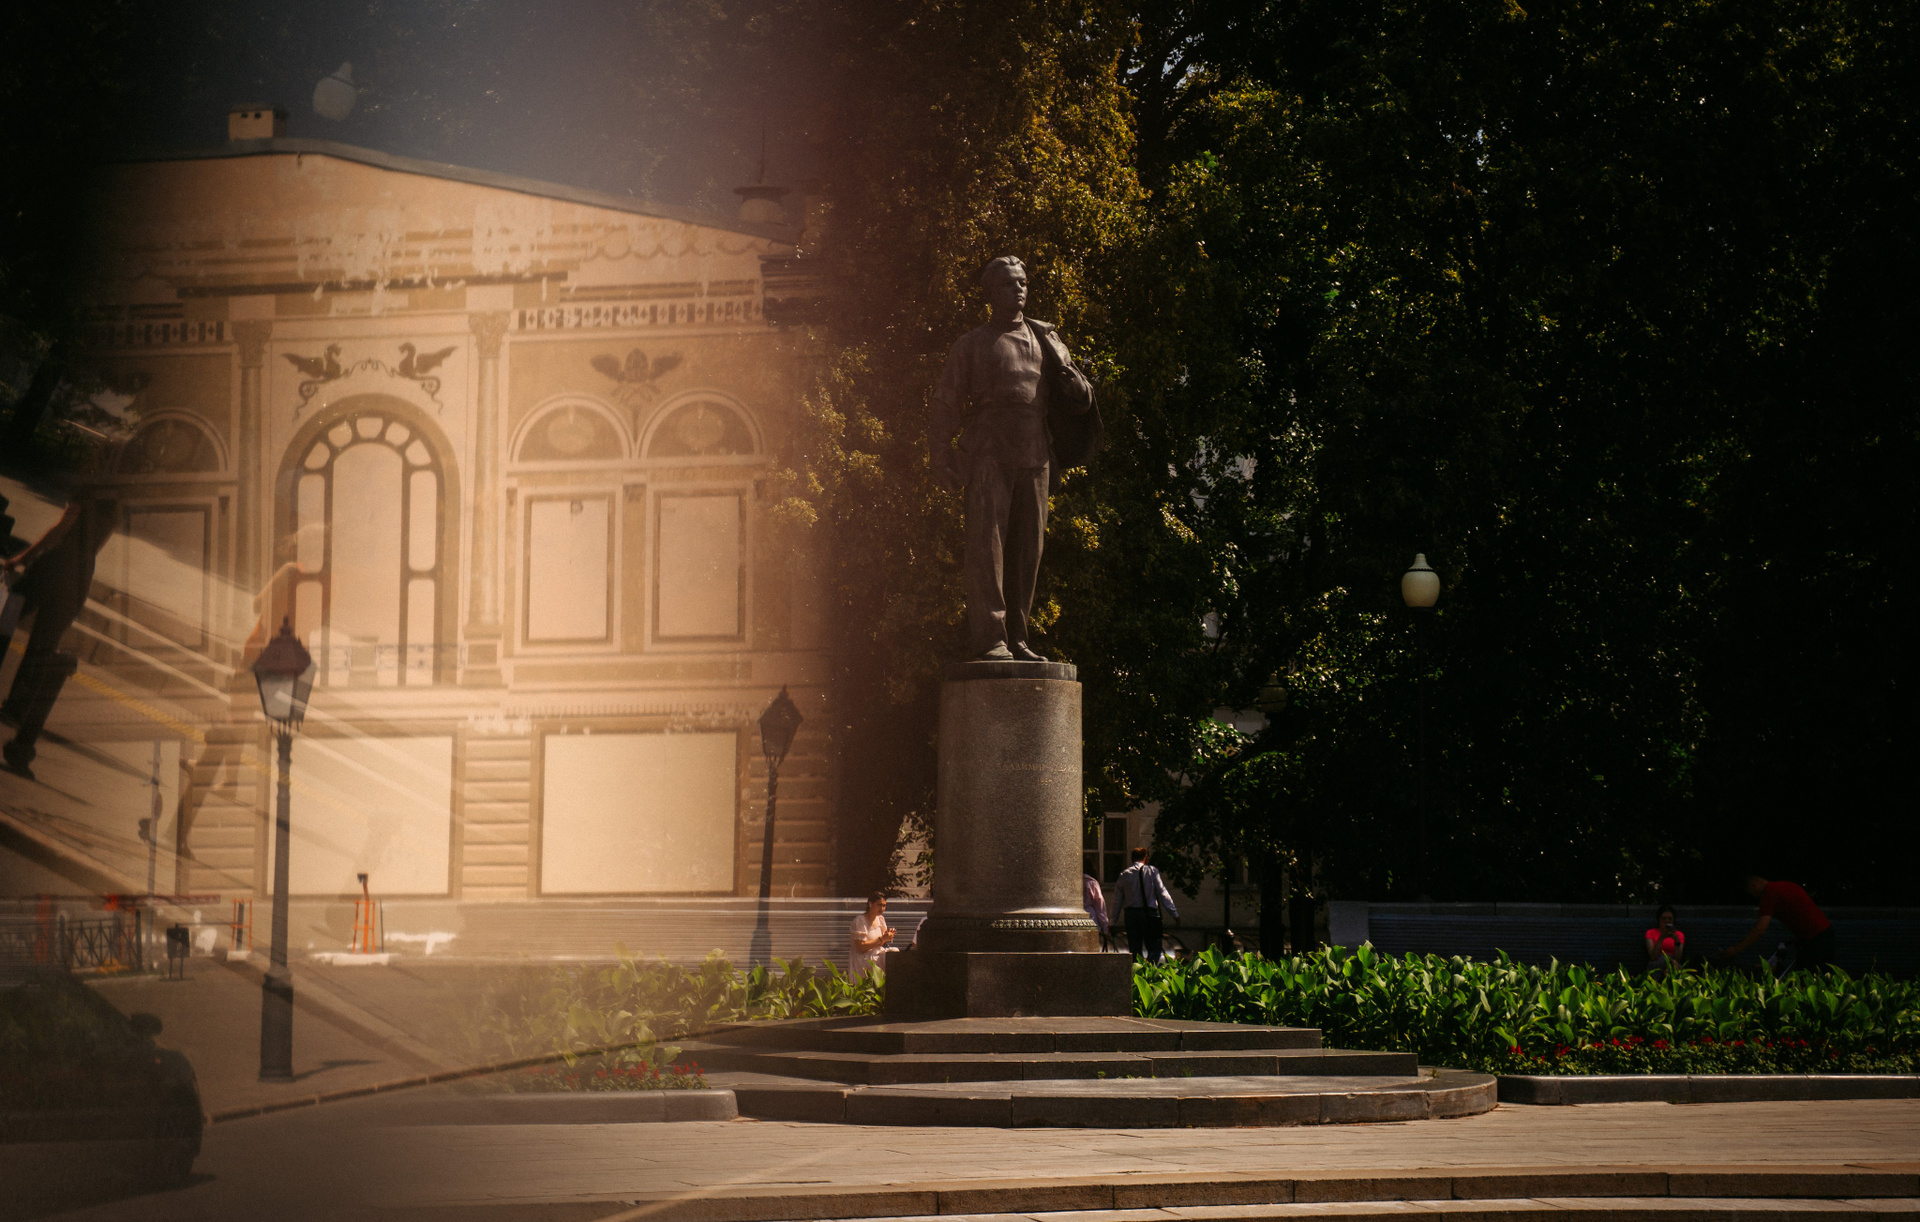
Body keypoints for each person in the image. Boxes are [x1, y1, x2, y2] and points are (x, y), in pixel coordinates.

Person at [929, 256, 1098, 661]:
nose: (1018, 288)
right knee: (987, 549)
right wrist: (940, 455)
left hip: (1036, 453)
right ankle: (992, 639)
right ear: (991, 292)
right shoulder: (972, 344)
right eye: (1008, 283)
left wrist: (1079, 390)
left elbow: (1081, 393)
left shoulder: (1047, 340)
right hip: (989, 451)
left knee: (1028, 551)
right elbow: (945, 402)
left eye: (1022, 282)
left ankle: (1019, 638)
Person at [1, 492, 119, 777]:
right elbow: (97, 544)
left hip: (55, 565)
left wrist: (22, 557)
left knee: (9, 615)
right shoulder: (116, 505)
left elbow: (61, 529)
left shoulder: (86, 490)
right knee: (43, 644)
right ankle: (17, 707)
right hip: (80, 577)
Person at [1718, 873, 1834, 971]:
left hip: (1814, 939)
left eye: (1752, 892)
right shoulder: (1786, 885)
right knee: (1822, 974)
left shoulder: (1769, 894)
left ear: (1754, 885)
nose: (1754, 896)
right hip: (1825, 933)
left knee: (1804, 977)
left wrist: (1736, 949)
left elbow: (1760, 929)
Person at [1107, 848, 1179, 962]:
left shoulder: (1124, 875)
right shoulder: (1152, 872)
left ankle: (1138, 970)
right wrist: (1175, 914)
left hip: (1131, 915)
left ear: (1132, 858)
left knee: (1135, 950)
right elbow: (1163, 893)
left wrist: (1112, 921)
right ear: (1145, 858)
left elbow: (1117, 900)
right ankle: (1150, 968)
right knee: (1154, 947)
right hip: (1149, 914)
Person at [849, 891, 895, 978]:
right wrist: (881, 939)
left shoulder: (880, 919)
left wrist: (887, 937)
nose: (882, 908)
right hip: (863, 959)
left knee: (894, 953)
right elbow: (861, 947)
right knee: (890, 957)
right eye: (879, 905)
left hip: (877, 954)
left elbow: (880, 943)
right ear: (870, 904)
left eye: (884, 905)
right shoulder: (860, 920)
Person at [1645, 905, 1685, 976]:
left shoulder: (1679, 935)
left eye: (1670, 919)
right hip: (1657, 964)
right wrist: (1662, 938)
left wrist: (1676, 940)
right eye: (1664, 919)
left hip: (1673, 964)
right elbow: (1653, 956)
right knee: (1663, 959)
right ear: (1659, 920)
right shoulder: (1651, 933)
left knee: (1673, 965)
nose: (1667, 921)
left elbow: (1678, 958)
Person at [1082, 871, 1111, 951]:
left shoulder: (1072, 882)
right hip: (1091, 921)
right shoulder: (1091, 883)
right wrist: (1105, 928)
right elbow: (1100, 908)